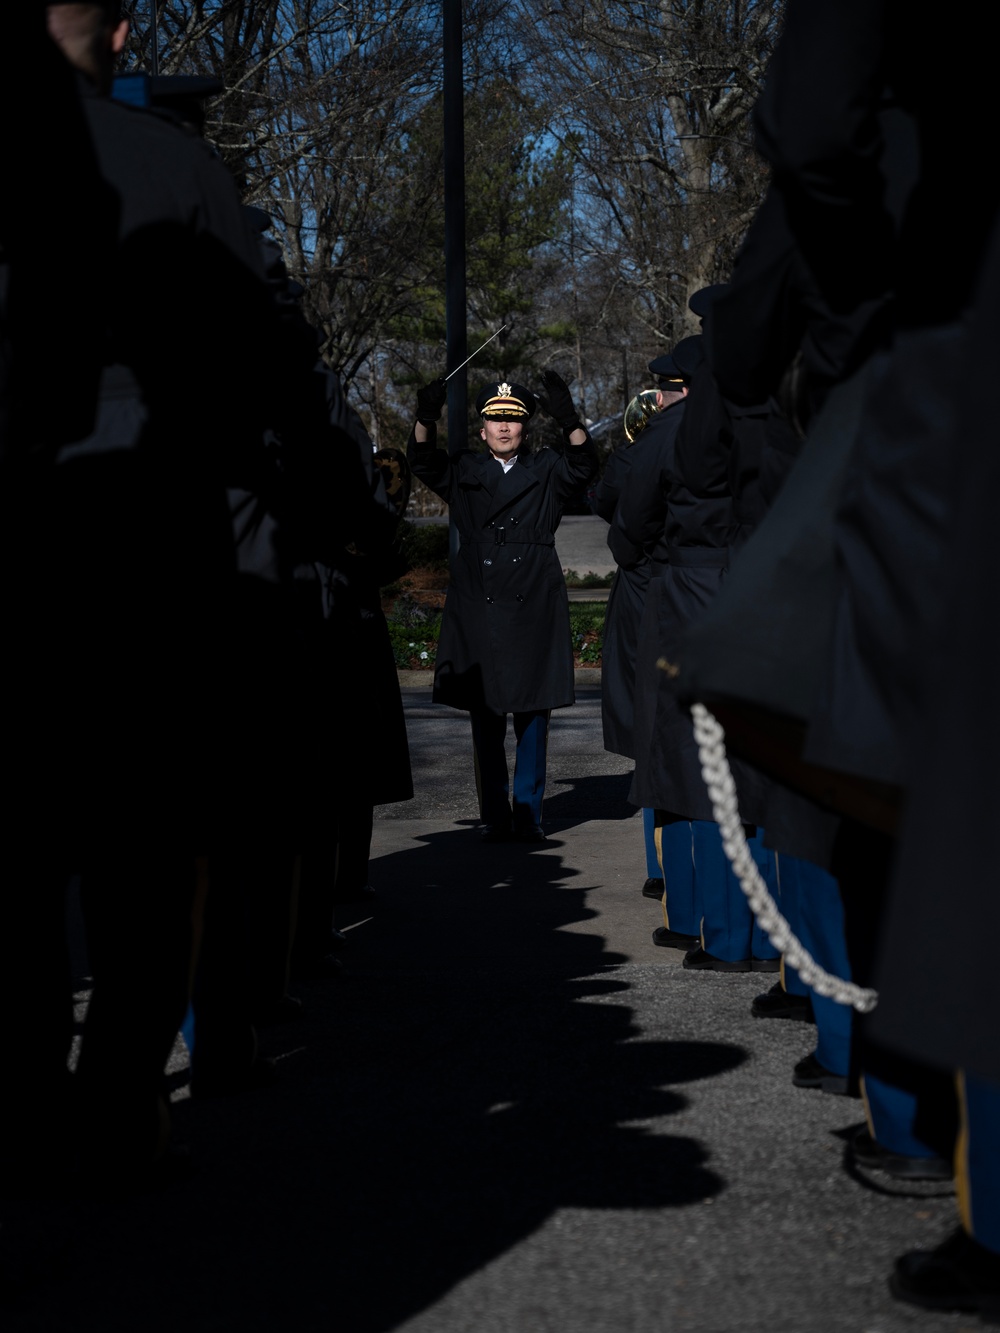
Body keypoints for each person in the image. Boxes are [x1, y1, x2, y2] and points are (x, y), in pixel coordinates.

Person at [407, 373, 597, 841]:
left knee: (534, 716)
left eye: (513, 420)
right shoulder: (465, 469)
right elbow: (421, 460)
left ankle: (529, 815)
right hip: (480, 606)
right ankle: (494, 814)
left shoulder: (548, 468)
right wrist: (424, 417)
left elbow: (586, 462)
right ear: (482, 428)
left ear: (526, 428)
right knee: (486, 717)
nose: (504, 428)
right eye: (495, 419)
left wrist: (569, 417)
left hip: (532, 600)